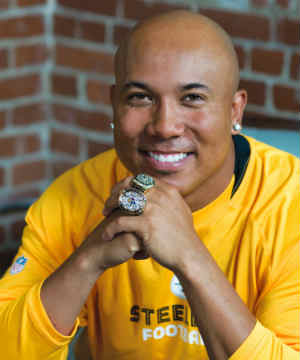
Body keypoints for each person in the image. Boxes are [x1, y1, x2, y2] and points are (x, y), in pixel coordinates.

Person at [0, 10, 299, 360]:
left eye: (192, 98)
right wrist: (89, 259)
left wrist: (189, 256)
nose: (164, 126)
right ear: (115, 102)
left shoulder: (290, 204)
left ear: (235, 111)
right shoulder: (73, 195)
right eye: (140, 97)